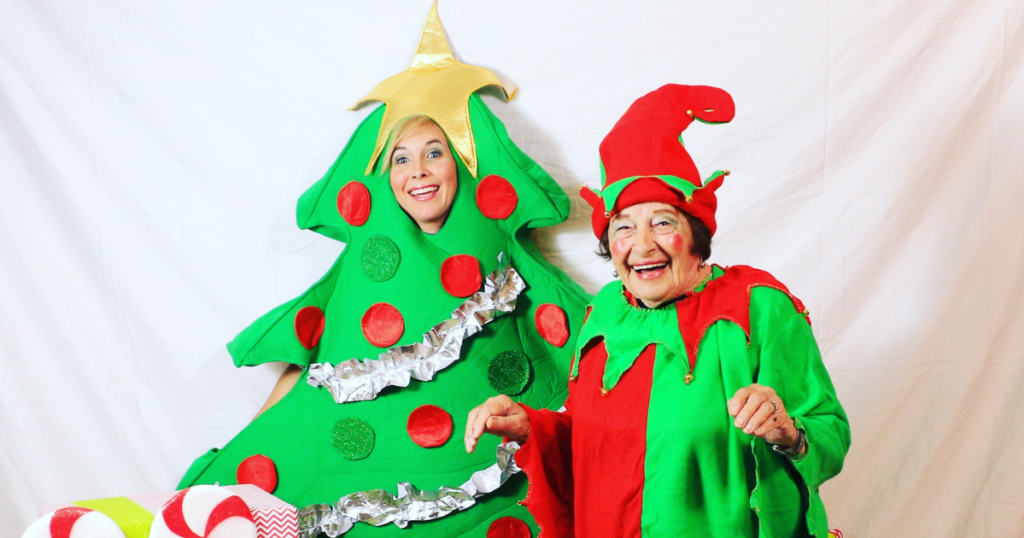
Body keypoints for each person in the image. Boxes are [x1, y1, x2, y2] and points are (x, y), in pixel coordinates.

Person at [179, 10, 591, 537]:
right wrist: (251, 453)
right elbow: (315, 370)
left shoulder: (502, 266)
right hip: (368, 494)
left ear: (464, 167)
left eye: (434, 153)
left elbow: (577, 346)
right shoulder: (362, 272)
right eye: (400, 158)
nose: (417, 170)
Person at [465, 84, 851, 538]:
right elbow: (595, 444)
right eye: (623, 227)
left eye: (663, 222)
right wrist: (531, 425)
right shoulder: (606, 312)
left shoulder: (757, 307)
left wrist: (788, 431)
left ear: (696, 232)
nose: (642, 245)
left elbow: (830, 434)